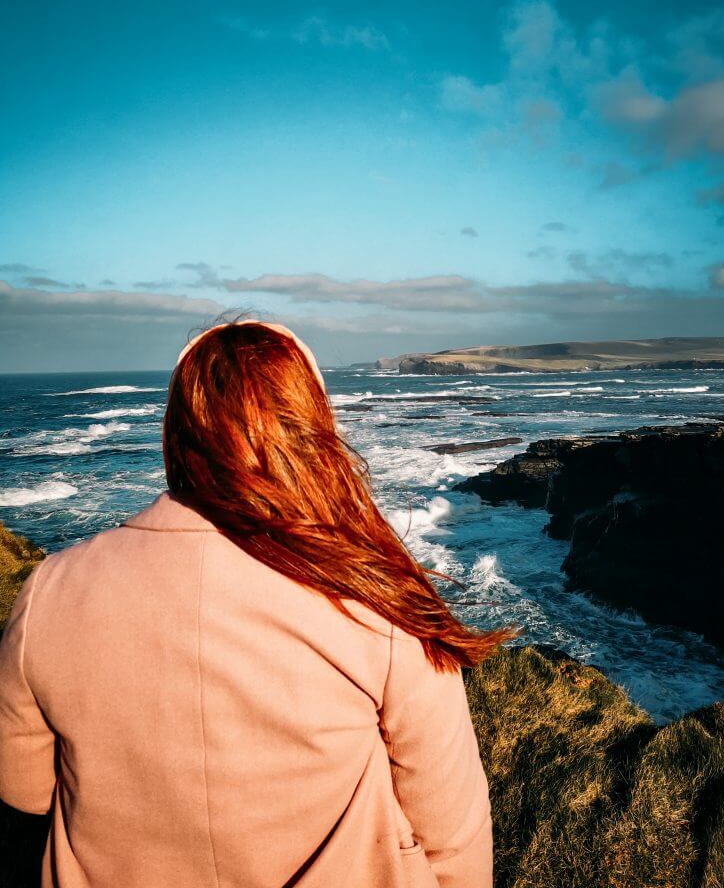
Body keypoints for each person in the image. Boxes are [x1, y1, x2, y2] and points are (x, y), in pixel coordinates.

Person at [0, 319, 514, 888]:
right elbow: (454, 833)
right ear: (312, 431)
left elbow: (22, 788)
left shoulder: (50, 590)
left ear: (179, 430)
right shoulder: (373, 596)